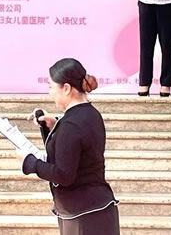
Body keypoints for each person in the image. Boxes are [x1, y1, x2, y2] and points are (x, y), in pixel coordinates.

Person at [22, 58, 119, 235]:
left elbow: (63, 175)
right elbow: (75, 147)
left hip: (83, 215)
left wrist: (30, 163)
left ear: (66, 88)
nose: (50, 93)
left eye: (51, 87)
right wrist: (55, 125)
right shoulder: (90, 114)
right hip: (96, 208)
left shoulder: (71, 125)